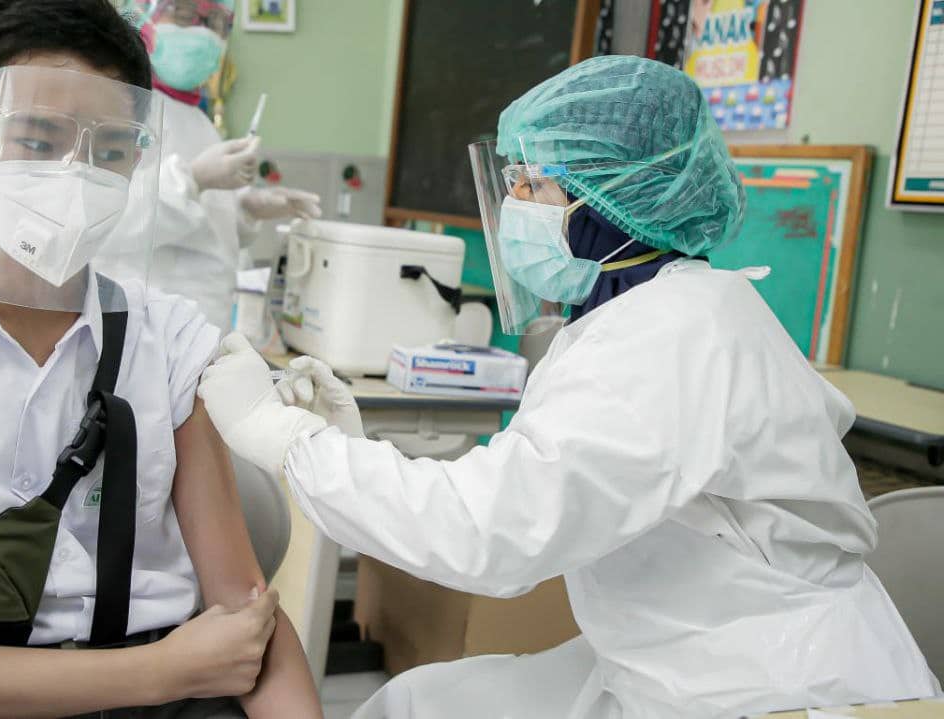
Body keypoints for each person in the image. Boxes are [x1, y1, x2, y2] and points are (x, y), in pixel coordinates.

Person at [197, 56, 941, 718]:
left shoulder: (669, 339)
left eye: (535, 182)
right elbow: (529, 487)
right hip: (680, 652)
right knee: (418, 699)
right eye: (512, 178)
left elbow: (493, 534)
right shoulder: (659, 309)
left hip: (762, 685)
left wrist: (291, 440)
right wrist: (350, 449)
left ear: (615, 199)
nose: (515, 202)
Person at [0, 1, 321, 717]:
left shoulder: (163, 337)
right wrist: (166, 670)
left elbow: (247, 614)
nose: (75, 177)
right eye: (36, 142)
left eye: (109, 151)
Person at [136, 0, 321, 332]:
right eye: (185, 15)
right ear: (142, 14)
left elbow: (207, 227)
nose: (202, 33)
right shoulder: (127, 108)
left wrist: (248, 207)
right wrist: (193, 178)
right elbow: (117, 220)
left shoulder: (197, 119)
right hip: (146, 325)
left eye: (215, 22)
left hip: (200, 325)